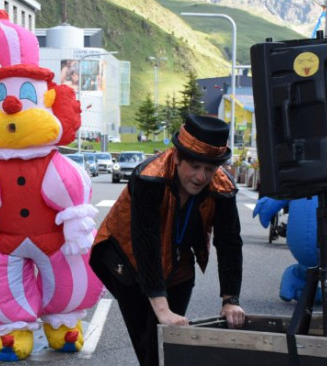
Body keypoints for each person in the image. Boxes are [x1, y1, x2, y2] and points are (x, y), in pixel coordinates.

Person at [89, 114, 245, 366]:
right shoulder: (149, 177)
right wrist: (161, 309)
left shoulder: (222, 187)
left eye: (209, 168)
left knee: (167, 342)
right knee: (149, 342)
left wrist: (231, 300)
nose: (201, 177)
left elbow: (229, 243)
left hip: (179, 262)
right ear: (177, 157)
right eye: (194, 166)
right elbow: (145, 242)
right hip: (127, 259)